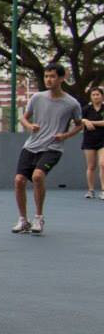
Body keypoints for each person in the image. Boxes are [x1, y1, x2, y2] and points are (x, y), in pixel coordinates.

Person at [12, 63, 83, 234]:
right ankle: (23, 220)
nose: (48, 79)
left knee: (37, 176)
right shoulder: (37, 97)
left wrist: (65, 136)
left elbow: (79, 125)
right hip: (31, 146)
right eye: (46, 76)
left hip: (53, 148)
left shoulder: (72, 103)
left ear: (61, 78)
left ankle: (38, 218)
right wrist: (30, 126)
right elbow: (24, 118)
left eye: (52, 76)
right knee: (19, 180)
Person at [81, 86, 104, 199]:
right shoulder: (86, 109)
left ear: (102, 96)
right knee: (91, 166)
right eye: (93, 95)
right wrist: (85, 121)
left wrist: (91, 122)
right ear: (91, 97)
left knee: (103, 164)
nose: (96, 97)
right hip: (89, 141)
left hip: (102, 141)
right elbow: (78, 119)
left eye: (98, 94)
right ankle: (91, 190)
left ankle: (103, 190)